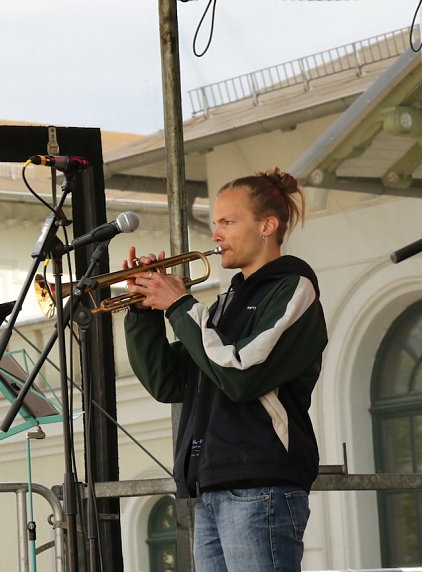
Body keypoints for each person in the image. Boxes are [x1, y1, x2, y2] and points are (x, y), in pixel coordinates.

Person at [123, 167, 327, 571]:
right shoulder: (222, 305)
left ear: (267, 226)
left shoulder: (294, 290)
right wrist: (143, 312)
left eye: (228, 222)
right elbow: (169, 382)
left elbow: (240, 374)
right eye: (215, 223)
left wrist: (180, 305)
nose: (216, 235)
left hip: (260, 486)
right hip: (211, 485)